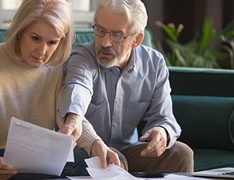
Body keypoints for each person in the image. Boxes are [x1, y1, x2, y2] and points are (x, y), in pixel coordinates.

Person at [0, 0, 121, 179]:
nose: (42, 51)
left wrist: (96, 143)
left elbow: (69, 118)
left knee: (101, 164)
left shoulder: (55, 67)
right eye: (35, 38)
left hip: (38, 156)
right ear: (20, 32)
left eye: (52, 42)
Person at [58, 0, 194, 173]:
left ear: (136, 39)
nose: (105, 43)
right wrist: (74, 118)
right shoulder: (82, 56)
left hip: (130, 152)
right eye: (100, 30)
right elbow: (78, 86)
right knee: (115, 161)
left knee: (181, 153)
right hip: (87, 152)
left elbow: (164, 117)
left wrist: (162, 132)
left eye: (116, 35)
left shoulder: (154, 63)